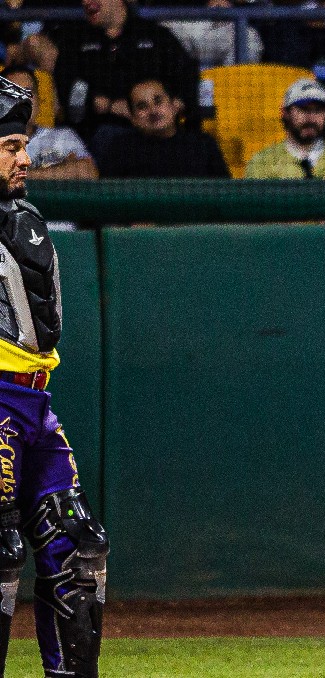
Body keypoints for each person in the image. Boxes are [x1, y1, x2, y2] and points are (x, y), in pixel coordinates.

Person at [0, 75, 108, 678]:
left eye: (25, 143)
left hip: (35, 402)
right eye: (12, 145)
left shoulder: (24, 217)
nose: (25, 158)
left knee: (78, 546)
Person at [46, 0, 200, 142]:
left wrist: (172, 105)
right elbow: (67, 91)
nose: (86, 2)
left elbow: (187, 78)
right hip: (99, 131)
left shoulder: (156, 35)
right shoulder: (74, 42)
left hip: (155, 128)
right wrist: (107, 105)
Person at [93, 78, 230, 178]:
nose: (153, 111)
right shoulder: (120, 149)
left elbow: (225, 198)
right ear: (133, 118)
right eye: (142, 106)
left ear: (173, 106)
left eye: (158, 101)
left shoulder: (203, 145)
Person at [244, 79, 325, 179]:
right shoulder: (263, 161)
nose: (311, 118)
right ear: (285, 113)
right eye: (303, 109)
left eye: (318, 110)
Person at [0, 67, 98, 180]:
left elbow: (88, 171)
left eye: (29, 92)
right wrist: (61, 170)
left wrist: (25, 176)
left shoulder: (63, 136)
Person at [162, 0, 265, 69]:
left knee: (248, 39)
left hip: (223, 25)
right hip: (181, 18)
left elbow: (258, 3)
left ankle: (229, 95)